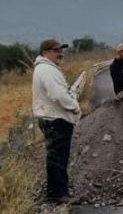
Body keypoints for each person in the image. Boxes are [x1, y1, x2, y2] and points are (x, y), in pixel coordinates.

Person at [32, 38, 81, 204]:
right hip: (56, 119)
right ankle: (57, 194)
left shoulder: (45, 68)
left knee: (56, 157)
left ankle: (58, 191)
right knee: (58, 158)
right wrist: (74, 106)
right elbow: (58, 95)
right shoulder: (48, 70)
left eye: (61, 50)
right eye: (56, 50)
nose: (60, 53)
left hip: (50, 117)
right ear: (45, 53)